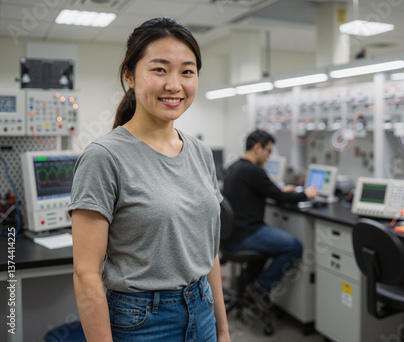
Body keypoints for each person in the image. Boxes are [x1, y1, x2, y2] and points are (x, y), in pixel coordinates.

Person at [69, 17, 231, 342]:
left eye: (187, 71)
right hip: (142, 321)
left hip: (203, 309)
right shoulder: (104, 157)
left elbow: (206, 251)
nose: (174, 84)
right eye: (159, 70)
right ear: (129, 75)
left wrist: (223, 329)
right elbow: (86, 274)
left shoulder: (200, 152)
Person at [222, 129, 319, 314]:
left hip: (232, 235)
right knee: (294, 247)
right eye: (268, 151)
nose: (268, 156)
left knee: (271, 247)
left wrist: (284, 191)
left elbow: (268, 192)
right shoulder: (253, 170)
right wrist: (305, 194)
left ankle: (249, 284)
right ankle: (260, 287)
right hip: (246, 234)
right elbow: (278, 197)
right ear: (257, 148)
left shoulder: (235, 167)